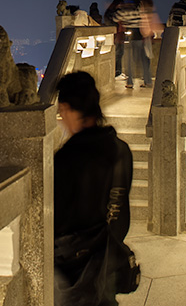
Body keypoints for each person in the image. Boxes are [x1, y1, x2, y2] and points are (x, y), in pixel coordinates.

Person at [54, 72, 133, 306]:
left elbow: (60, 217)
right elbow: (118, 206)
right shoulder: (120, 149)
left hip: (76, 267)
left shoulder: (68, 158)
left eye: (61, 113)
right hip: (110, 255)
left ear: (67, 108)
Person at [135, 0, 163, 87]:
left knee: (145, 61)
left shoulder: (145, 11)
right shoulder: (151, 10)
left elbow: (145, 24)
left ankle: (147, 81)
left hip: (146, 38)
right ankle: (147, 80)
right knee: (145, 61)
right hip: (148, 38)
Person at [103, 0, 130, 80]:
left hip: (118, 31)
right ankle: (117, 72)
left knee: (119, 51)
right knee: (119, 52)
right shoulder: (119, 2)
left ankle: (118, 72)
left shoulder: (117, 1)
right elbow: (115, 16)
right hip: (118, 32)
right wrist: (116, 26)